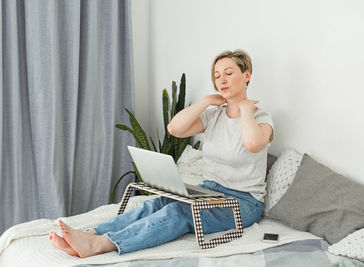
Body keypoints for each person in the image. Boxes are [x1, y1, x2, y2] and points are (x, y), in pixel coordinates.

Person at [49, 49, 274, 258]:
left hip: (242, 203)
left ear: (246, 75)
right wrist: (206, 101)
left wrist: (245, 109)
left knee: (178, 212)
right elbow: (175, 129)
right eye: (216, 76)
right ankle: (91, 234)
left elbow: (253, 144)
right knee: (156, 203)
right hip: (209, 191)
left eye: (228, 73)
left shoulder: (261, 117)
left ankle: (102, 244)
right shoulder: (214, 116)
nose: (221, 80)